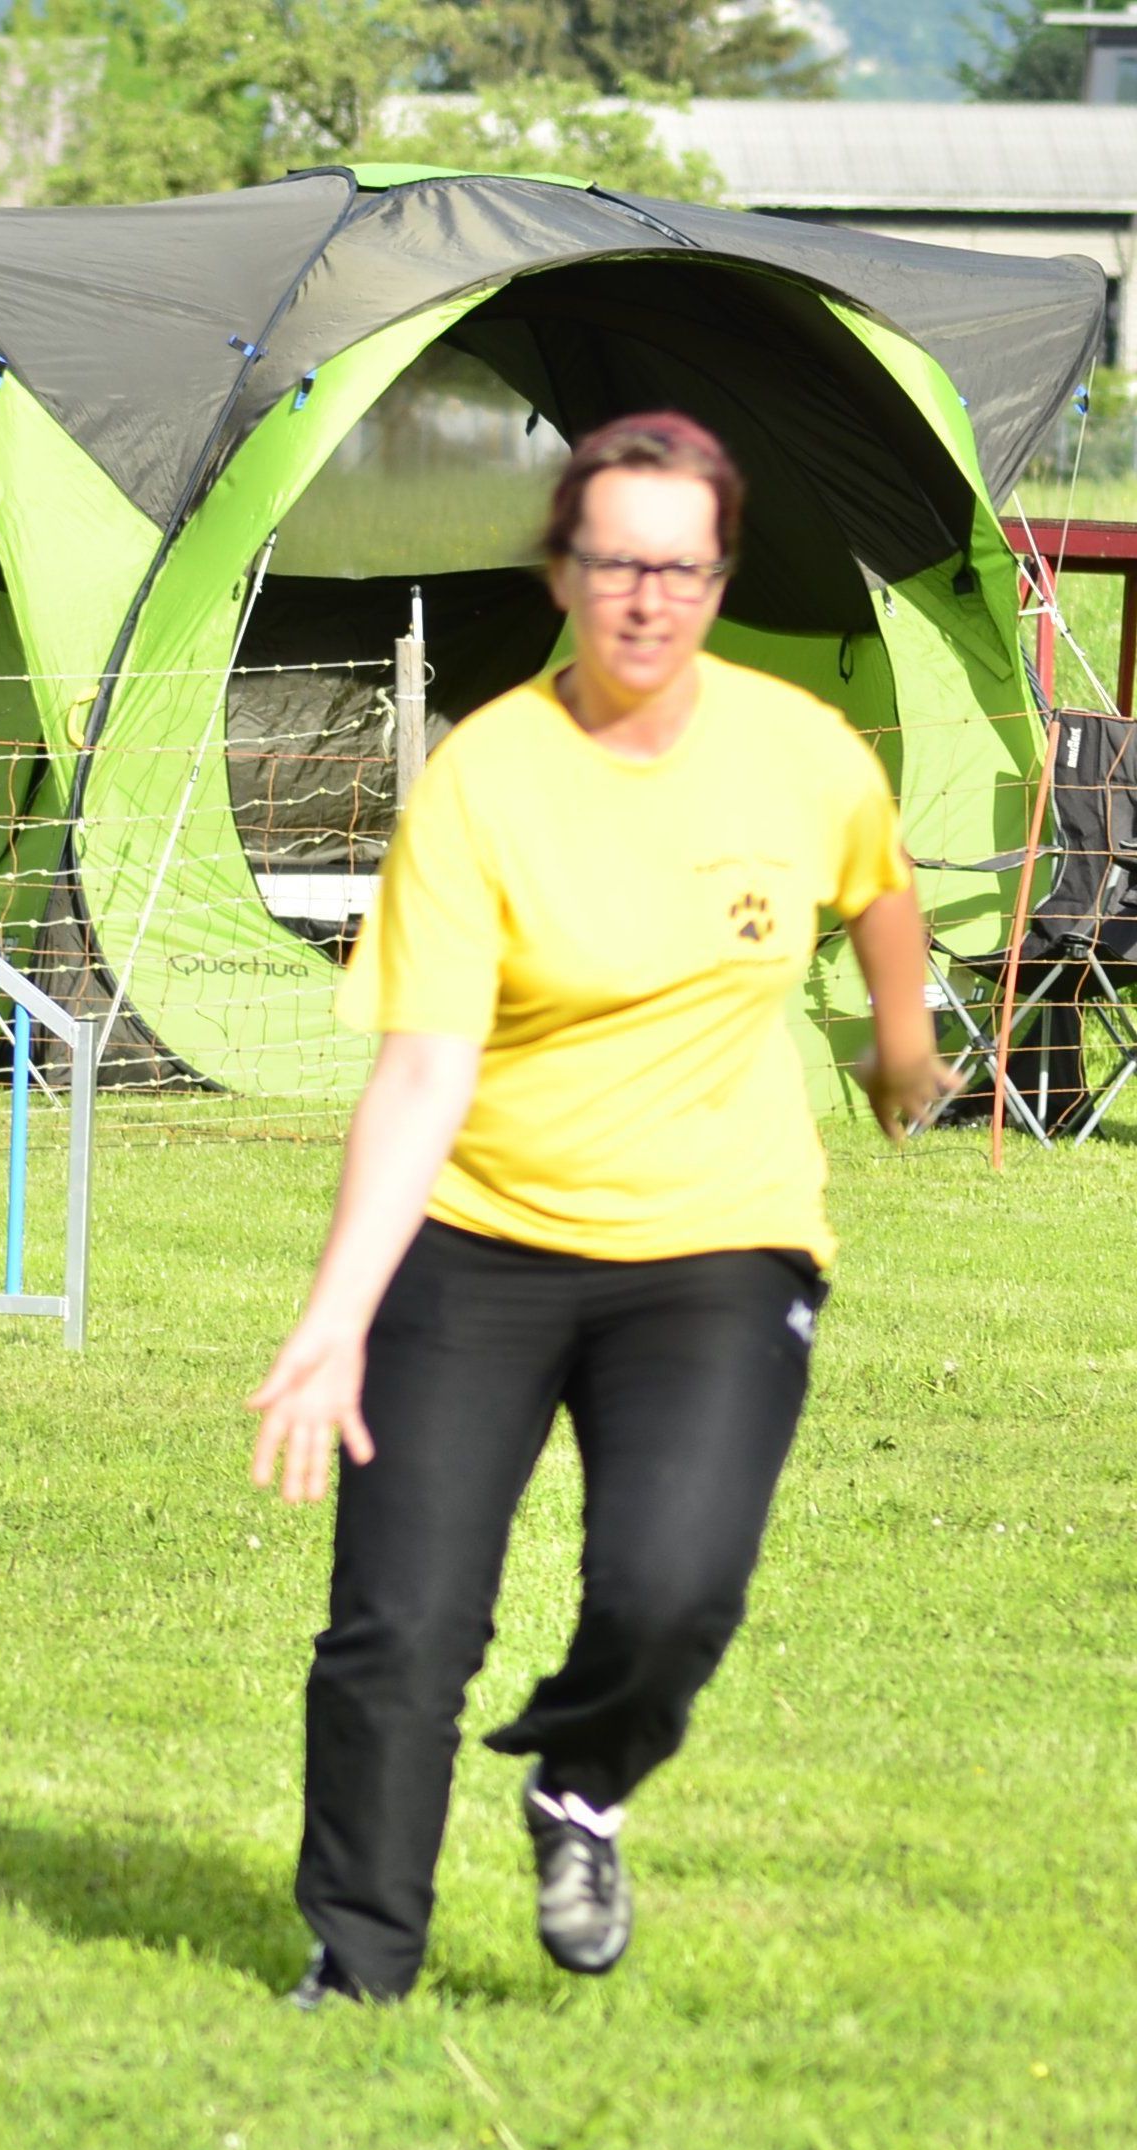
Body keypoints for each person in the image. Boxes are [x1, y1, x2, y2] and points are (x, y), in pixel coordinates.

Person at [245, 412, 959, 2007]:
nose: (647, 596)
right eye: (614, 560)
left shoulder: (797, 750)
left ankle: (580, 1780)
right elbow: (424, 1074)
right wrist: (336, 1318)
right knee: (402, 1629)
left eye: (680, 565)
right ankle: (357, 1968)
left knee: (671, 1590)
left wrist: (901, 1048)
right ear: (562, 570)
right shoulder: (486, 782)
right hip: (484, 1243)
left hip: (718, 1243)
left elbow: (881, 884)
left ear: (721, 573)